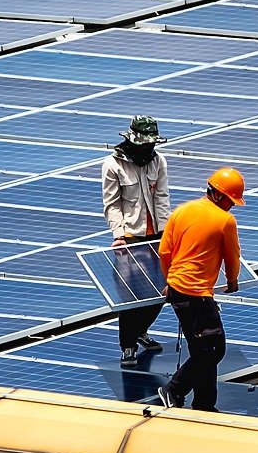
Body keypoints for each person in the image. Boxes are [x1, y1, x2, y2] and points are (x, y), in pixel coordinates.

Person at [157, 166, 245, 413]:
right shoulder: (225, 221)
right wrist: (232, 281)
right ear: (218, 195)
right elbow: (232, 256)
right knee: (213, 349)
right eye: (230, 201)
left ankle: (205, 404)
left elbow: (165, 252)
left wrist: (170, 280)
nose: (231, 206)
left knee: (203, 348)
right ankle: (173, 389)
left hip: (178, 289)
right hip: (196, 295)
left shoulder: (182, 211)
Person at [102, 116, 171, 368]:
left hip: (157, 235)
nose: (149, 149)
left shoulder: (159, 161)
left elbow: (162, 197)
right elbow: (113, 203)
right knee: (131, 296)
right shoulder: (113, 164)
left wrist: (166, 232)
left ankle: (141, 330)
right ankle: (127, 345)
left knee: (163, 290)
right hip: (130, 236)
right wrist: (119, 235)